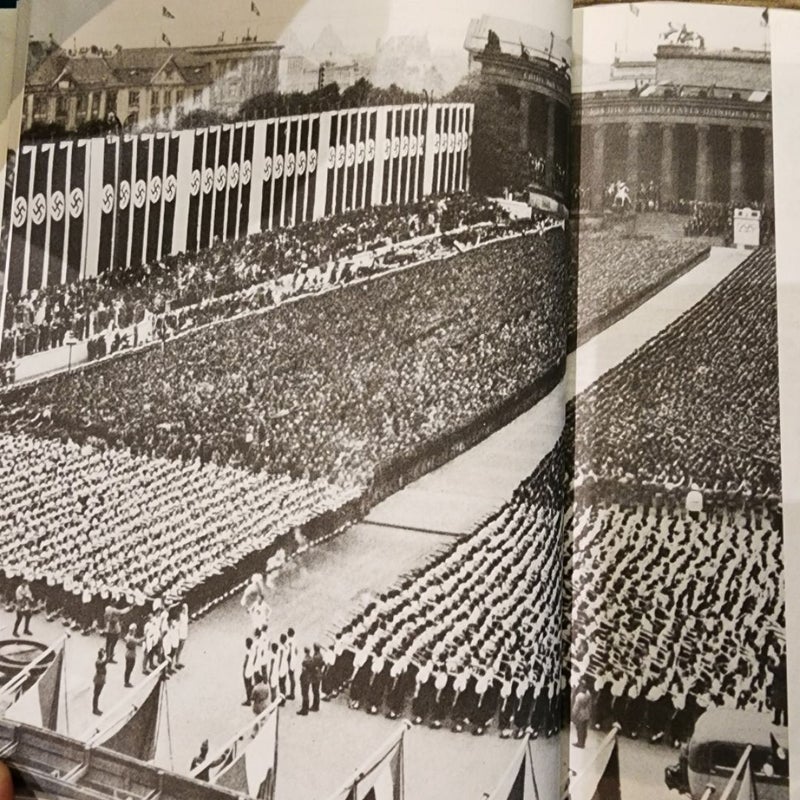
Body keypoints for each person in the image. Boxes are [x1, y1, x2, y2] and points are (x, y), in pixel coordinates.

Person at [571, 681, 593, 749]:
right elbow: (590, 705)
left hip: (580, 714)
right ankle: (583, 742)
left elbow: (576, 707)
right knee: (584, 729)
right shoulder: (588, 694)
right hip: (586, 712)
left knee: (580, 729)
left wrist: (573, 714)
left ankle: (580, 743)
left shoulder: (579, 696)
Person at [123, 624, 144, 688]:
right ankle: (126, 682)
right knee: (129, 669)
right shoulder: (131, 638)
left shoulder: (128, 636)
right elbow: (138, 641)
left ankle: (126, 681)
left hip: (128, 654)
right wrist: (145, 637)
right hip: (131, 655)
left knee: (128, 669)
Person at [298, 647, 313, 716]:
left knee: (304, 694)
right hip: (309, 678)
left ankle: (304, 709)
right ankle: (305, 708)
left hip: (305, 679)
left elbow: (303, 670)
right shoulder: (310, 658)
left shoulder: (305, 660)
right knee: (306, 694)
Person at [310, 643, 324, 712]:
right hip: (318, 674)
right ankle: (315, 705)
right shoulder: (319, 655)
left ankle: (315, 706)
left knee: (315, 691)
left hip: (315, 676)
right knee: (316, 691)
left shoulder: (316, 656)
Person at [93, 648, 107, 715]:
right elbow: (102, 664)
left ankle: (95, 708)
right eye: (103, 653)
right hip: (99, 679)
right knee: (96, 695)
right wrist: (107, 659)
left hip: (100, 678)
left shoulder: (100, 660)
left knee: (97, 694)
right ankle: (95, 709)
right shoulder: (99, 661)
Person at [175, 603, 189, 669]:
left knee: (180, 650)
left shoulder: (186, 616)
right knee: (176, 650)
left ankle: (177, 662)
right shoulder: (180, 616)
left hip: (184, 635)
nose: (185, 610)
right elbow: (177, 625)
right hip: (179, 635)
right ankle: (174, 663)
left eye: (186, 608)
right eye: (184, 608)